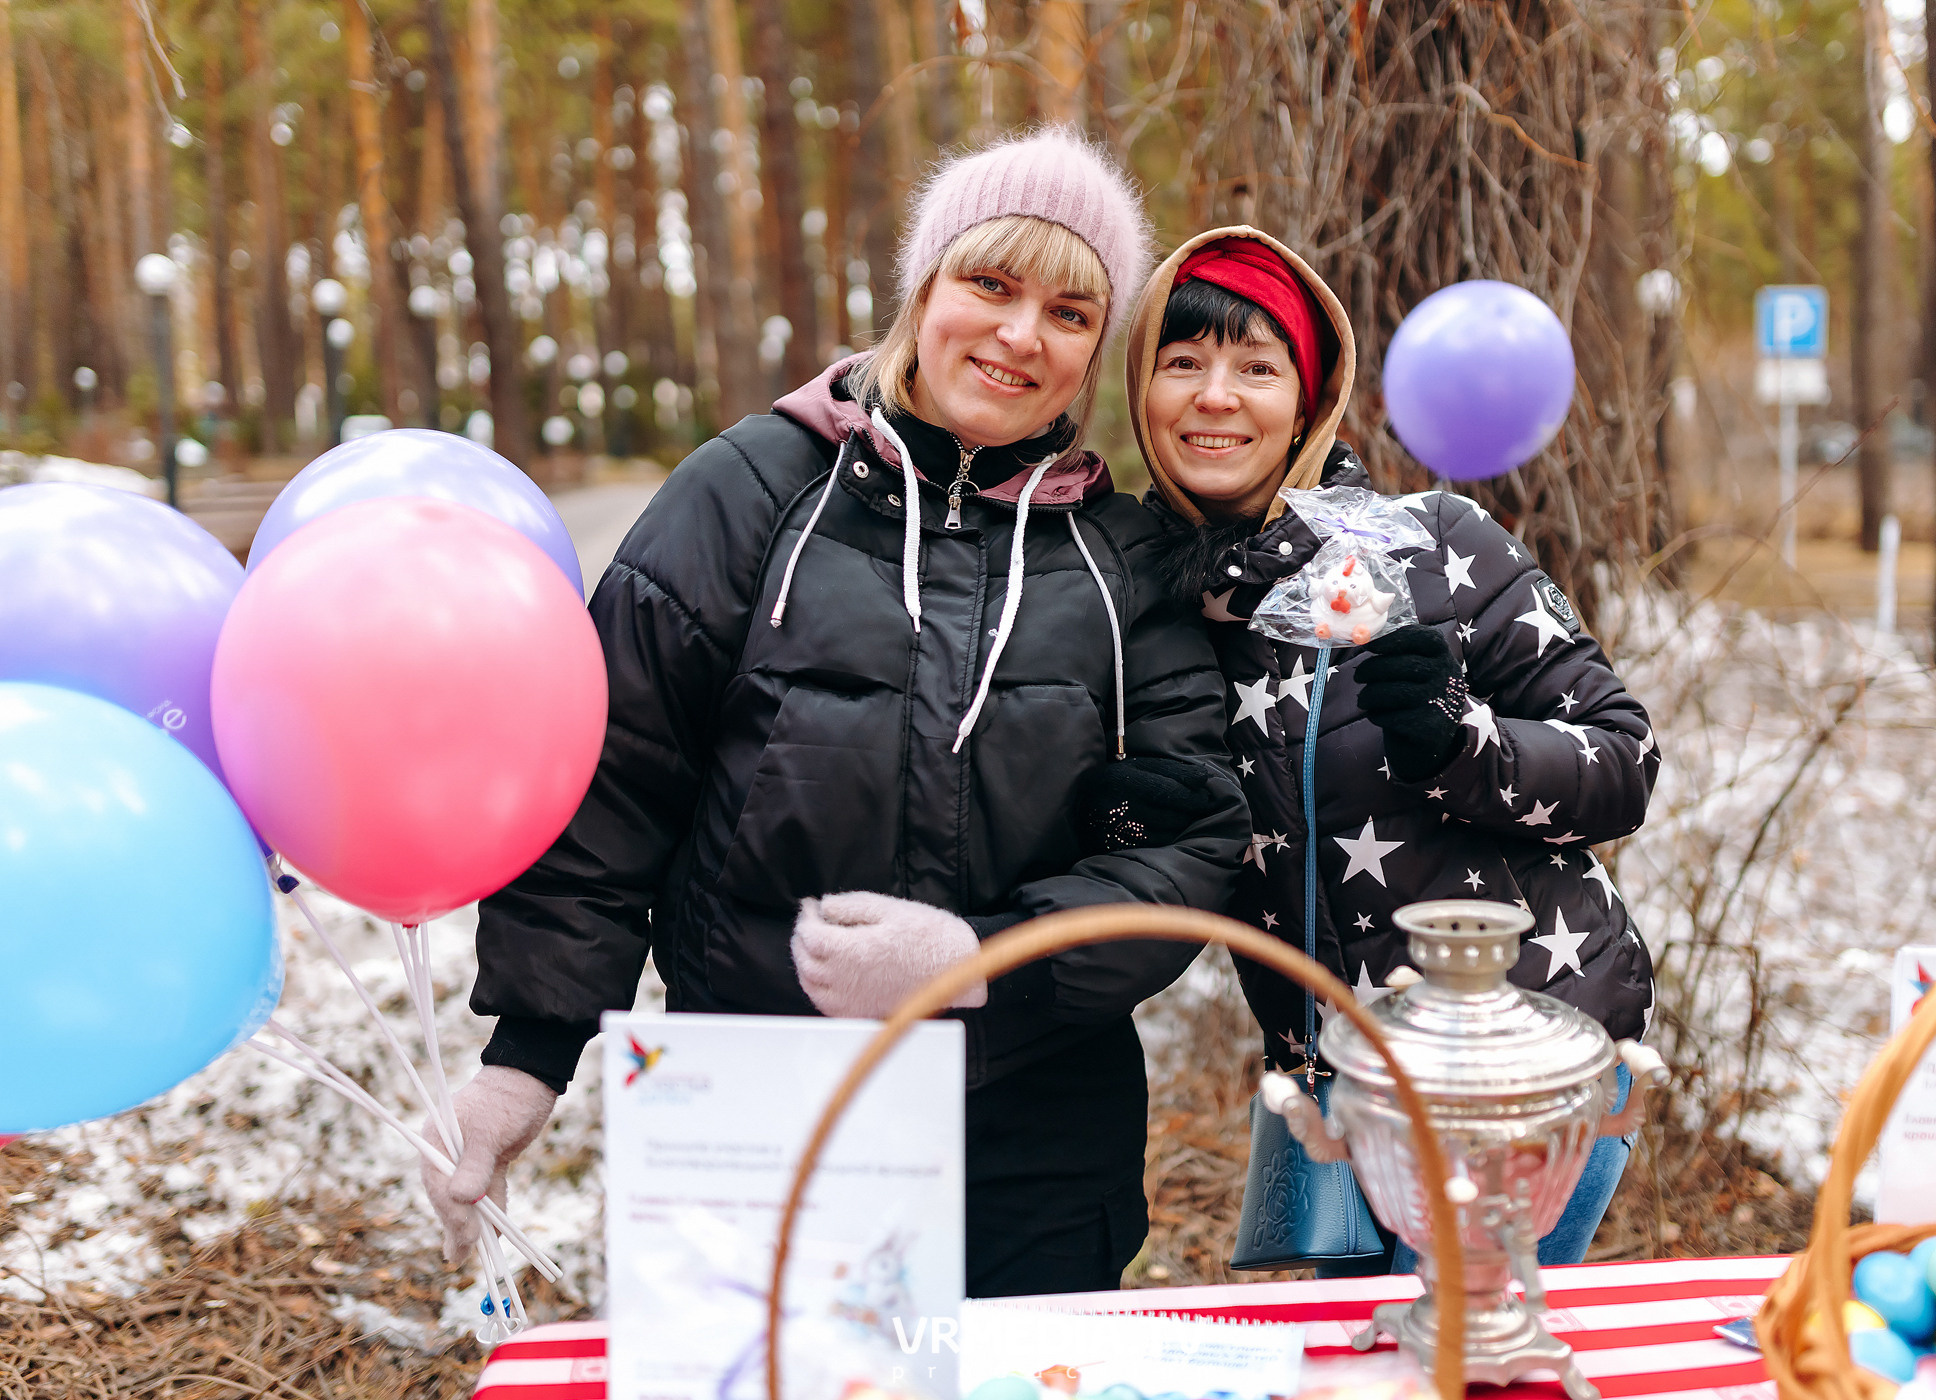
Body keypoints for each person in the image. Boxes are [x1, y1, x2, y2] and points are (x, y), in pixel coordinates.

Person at [422, 129, 1251, 1298]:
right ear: (924, 289)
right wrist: (528, 1055)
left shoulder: (1124, 563)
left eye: (1070, 312)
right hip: (762, 1115)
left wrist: (983, 962)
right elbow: (612, 776)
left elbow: (1196, 843)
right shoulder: (753, 490)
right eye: (992, 284)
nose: (1022, 335)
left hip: (1036, 1136)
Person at [1124, 226, 1660, 1272]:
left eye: (1256, 365)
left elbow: (1624, 763)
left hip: (1523, 1066)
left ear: (1309, 398)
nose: (1215, 395)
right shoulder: (1138, 605)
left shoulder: (1435, 545)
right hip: (1339, 1086)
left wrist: (1466, 745)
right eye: (1181, 362)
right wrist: (1122, 817)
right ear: (1141, 388)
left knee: (1463, 1355)